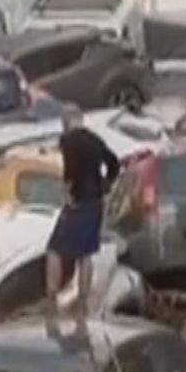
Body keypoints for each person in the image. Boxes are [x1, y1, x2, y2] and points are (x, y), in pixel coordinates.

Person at [47, 121, 122, 327]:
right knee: (85, 254)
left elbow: (69, 172)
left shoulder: (69, 142)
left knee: (54, 249)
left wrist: (66, 195)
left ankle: (51, 298)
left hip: (77, 202)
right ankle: (82, 300)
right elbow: (114, 163)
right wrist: (106, 183)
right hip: (95, 201)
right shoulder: (94, 140)